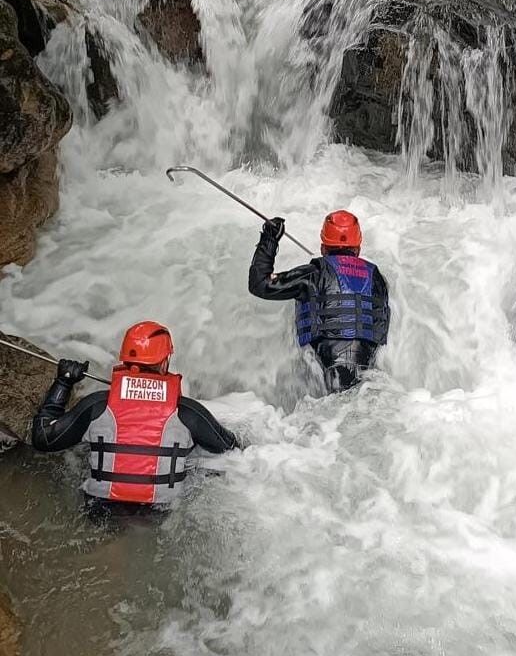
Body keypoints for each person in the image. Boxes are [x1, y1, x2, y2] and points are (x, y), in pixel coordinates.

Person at [33, 321, 241, 515]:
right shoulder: (188, 412)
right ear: (164, 363)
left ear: (125, 360)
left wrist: (64, 382)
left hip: (101, 510)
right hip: (161, 514)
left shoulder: (96, 405)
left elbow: (43, 439)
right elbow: (232, 450)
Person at [249, 210, 390, 393]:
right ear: (358, 248)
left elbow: (260, 284)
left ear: (323, 248)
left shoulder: (314, 273)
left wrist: (269, 239)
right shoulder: (378, 279)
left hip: (321, 371)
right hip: (368, 377)